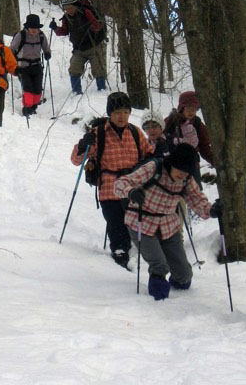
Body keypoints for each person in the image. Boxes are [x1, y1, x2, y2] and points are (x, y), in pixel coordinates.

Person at [114, 143, 221, 299]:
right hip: (141, 222)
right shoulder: (153, 168)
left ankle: (179, 292)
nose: (183, 175)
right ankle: (159, 303)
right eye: (180, 169)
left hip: (168, 226)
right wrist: (131, 192)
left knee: (184, 276)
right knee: (159, 265)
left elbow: (196, 199)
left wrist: (212, 210)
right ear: (172, 163)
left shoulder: (186, 179)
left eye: (187, 172)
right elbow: (120, 184)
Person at [71, 92, 154, 268]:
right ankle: (120, 256)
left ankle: (135, 254)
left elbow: (150, 155)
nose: (122, 116)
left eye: (125, 112)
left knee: (133, 224)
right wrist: (83, 144)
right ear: (110, 114)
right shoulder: (98, 133)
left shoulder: (135, 132)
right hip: (109, 188)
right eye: (117, 112)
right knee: (116, 224)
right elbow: (76, 160)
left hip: (133, 187)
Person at [50, 0, 107, 95]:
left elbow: (97, 25)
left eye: (71, 8)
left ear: (75, 6)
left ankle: (102, 90)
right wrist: (55, 28)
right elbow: (64, 31)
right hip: (78, 49)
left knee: (98, 69)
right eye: (66, 9)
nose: (69, 10)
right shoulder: (66, 18)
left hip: (93, 46)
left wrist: (91, 28)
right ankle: (76, 92)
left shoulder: (86, 12)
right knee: (74, 69)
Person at [164, 91, 214, 186]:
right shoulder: (170, 121)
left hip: (192, 165)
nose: (191, 112)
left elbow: (204, 147)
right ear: (182, 108)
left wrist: (215, 161)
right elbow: (160, 139)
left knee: (195, 193)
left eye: (194, 109)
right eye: (188, 109)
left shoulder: (198, 124)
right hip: (172, 165)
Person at [10, 14, 51, 117]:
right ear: (27, 27)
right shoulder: (21, 35)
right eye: (32, 27)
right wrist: (11, 64)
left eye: (36, 28)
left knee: (37, 89)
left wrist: (47, 53)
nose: (34, 30)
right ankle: (27, 109)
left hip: (37, 66)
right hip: (23, 67)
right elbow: (11, 50)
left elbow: (46, 47)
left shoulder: (41, 35)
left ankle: (33, 108)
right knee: (28, 88)